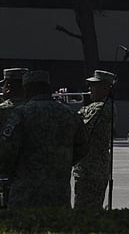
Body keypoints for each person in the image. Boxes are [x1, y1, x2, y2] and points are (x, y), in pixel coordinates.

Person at [0, 70, 89, 209]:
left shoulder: (21, 114)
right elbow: (83, 148)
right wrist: (60, 163)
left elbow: (7, 152)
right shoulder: (70, 114)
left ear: (27, 89)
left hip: (26, 193)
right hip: (59, 192)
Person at [73, 70, 116, 210]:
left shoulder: (100, 107)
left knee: (85, 209)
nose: (89, 89)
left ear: (105, 88)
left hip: (91, 168)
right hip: (93, 166)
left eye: (94, 85)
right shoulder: (100, 106)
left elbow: (79, 128)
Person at [0, 68, 29, 207]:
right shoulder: (35, 109)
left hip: (6, 174)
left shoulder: (3, 110)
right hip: (34, 176)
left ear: (8, 87)